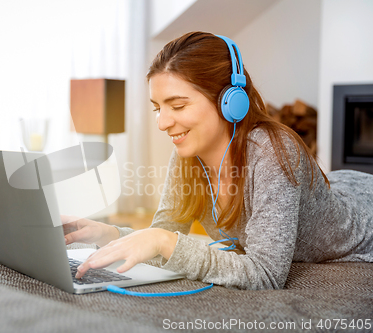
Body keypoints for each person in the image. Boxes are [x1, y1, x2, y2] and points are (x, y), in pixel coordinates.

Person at [62, 31, 373, 290]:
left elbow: (265, 275)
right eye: (158, 108)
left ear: (229, 101)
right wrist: (109, 234)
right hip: (337, 188)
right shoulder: (186, 152)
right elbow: (163, 234)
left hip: (364, 214)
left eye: (178, 105)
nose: (162, 123)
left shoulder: (273, 154)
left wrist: (166, 242)